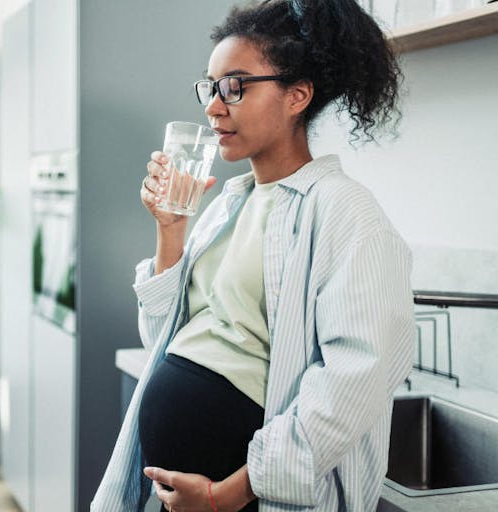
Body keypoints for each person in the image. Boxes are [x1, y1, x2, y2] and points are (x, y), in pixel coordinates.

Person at [92, 0, 416, 511]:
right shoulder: (229, 204)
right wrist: (171, 229)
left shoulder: (345, 212)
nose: (214, 106)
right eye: (211, 87)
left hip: (243, 497)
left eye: (235, 86)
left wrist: (227, 495)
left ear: (297, 96)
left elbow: (350, 387)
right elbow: (163, 343)